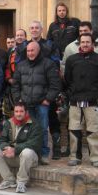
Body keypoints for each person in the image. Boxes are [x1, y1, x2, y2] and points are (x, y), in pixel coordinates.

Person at [62, 21, 98, 159]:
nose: (85, 44)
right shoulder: (72, 60)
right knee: (74, 130)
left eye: (88, 42)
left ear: (92, 43)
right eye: (82, 42)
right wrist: (71, 91)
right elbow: (67, 79)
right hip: (75, 100)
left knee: (94, 130)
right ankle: (75, 156)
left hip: (93, 100)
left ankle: (96, 157)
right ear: (79, 43)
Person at [11, 41, 60, 164]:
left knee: (42, 129)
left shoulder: (48, 64)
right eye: (28, 51)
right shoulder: (21, 65)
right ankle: (32, 154)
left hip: (42, 104)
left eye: (32, 50)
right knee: (28, 130)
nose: (30, 53)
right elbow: (15, 84)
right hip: (26, 104)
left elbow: (55, 84)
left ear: (38, 51)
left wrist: (48, 99)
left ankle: (43, 154)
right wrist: (18, 99)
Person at [0, 101, 43, 193]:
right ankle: (9, 180)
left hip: (29, 159)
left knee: (27, 152)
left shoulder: (35, 124)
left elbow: (34, 143)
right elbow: (1, 140)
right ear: (13, 112)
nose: (18, 114)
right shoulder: (8, 123)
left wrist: (15, 149)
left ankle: (21, 182)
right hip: (12, 156)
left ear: (26, 112)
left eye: (21, 111)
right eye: (16, 111)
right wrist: (7, 148)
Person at [28, 20, 62, 159]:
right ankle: (33, 152)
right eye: (32, 28)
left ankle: (55, 149)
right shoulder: (25, 45)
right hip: (30, 92)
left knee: (51, 120)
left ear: (41, 30)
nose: (34, 30)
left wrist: (50, 95)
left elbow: (56, 64)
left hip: (46, 91)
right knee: (32, 125)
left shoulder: (50, 44)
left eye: (37, 28)